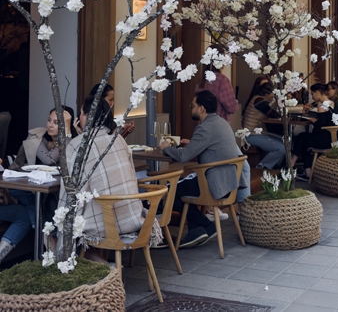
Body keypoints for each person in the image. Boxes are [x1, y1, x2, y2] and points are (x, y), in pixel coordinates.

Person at [59, 96, 161, 262]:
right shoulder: (118, 139)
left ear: (87, 117)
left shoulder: (77, 145)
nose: (80, 118)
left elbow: (70, 192)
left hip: (105, 226)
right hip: (133, 217)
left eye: (82, 114)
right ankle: (106, 267)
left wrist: (62, 225)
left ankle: (105, 269)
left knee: (60, 223)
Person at [159, 90, 247, 248]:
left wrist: (166, 147)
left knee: (164, 191)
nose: (190, 108)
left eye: (192, 105)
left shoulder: (204, 128)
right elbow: (206, 148)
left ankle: (205, 224)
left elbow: (183, 157)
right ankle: (196, 229)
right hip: (228, 183)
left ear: (202, 108)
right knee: (179, 190)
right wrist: (192, 144)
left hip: (212, 184)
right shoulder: (221, 123)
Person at [0, 107, 76, 264]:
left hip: (43, 194)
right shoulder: (38, 137)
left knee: (28, 214)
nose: (50, 125)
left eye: (56, 122)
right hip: (16, 188)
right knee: (33, 201)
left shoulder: (72, 144)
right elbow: (49, 160)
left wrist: (68, 133)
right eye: (49, 120)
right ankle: (51, 248)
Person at [196, 57, 250, 218]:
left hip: (202, 130)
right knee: (243, 167)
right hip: (219, 131)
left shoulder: (201, 80)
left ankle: (210, 208)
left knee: (208, 168)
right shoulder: (221, 80)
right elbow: (232, 106)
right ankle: (244, 210)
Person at [291, 84, 338, 181]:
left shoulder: (322, 105)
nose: (312, 97)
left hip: (324, 141)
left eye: (312, 94)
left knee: (302, 138)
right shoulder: (333, 103)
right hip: (333, 139)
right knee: (304, 138)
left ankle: (292, 167)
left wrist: (314, 121)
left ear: (317, 92)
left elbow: (320, 127)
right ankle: (304, 171)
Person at [242, 81, 287, 170]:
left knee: (286, 142)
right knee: (282, 148)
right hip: (251, 134)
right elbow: (272, 113)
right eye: (272, 93)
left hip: (257, 133)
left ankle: (275, 167)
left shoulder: (259, 99)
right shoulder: (259, 101)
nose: (273, 96)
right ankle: (261, 167)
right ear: (266, 93)